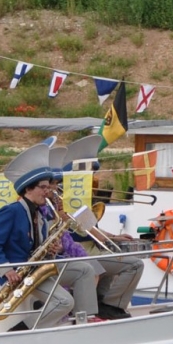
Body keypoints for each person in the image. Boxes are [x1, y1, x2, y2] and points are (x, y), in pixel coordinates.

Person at [0, 143, 100, 331]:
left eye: (49, 187)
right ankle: (21, 332)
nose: (48, 192)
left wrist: (53, 250)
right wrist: (6, 270)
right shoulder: (11, 211)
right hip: (19, 273)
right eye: (43, 187)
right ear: (28, 189)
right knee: (64, 302)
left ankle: (86, 320)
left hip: (38, 267)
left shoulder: (40, 213)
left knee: (86, 269)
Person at [55, 135, 144, 319]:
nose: (94, 179)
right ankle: (104, 304)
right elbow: (94, 233)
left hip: (84, 252)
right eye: (91, 175)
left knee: (109, 259)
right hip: (80, 254)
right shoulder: (71, 199)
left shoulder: (76, 199)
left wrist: (115, 237)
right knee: (117, 261)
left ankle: (102, 301)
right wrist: (114, 238)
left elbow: (93, 229)